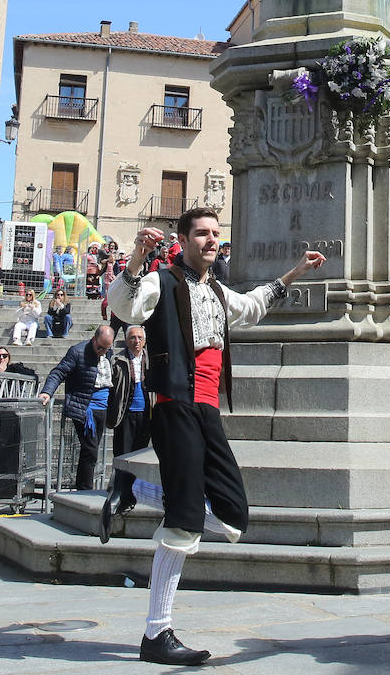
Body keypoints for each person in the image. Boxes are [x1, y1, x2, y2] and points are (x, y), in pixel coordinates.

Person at [106, 210, 324, 666]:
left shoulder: (217, 290)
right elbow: (125, 308)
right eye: (202, 233)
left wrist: (296, 272)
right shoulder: (160, 281)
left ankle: (133, 488)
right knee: (185, 519)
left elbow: (252, 307)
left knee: (232, 517)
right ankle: (157, 632)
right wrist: (137, 257)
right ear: (182, 239)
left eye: (215, 234)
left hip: (207, 409)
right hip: (175, 404)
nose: (211, 240)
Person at [39, 325, 117, 491]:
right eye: (100, 347)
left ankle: (84, 486)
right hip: (84, 407)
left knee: (92, 448)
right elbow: (58, 372)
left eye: (106, 348)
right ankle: (85, 489)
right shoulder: (77, 352)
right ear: (93, 339)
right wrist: (47, 392)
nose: (102, 351)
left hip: (101, 408)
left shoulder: (107, 354)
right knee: (90, 449)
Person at [100, 324, 152, 541]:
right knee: (123, 453)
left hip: (146, 413)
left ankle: (137, 492)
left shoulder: (151, 360)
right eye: (132, 337)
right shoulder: (118, 360)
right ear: (126, 339)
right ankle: (121, 491)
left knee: (141, 453)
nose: (136, 341)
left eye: (140, 337)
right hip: (125, 413)